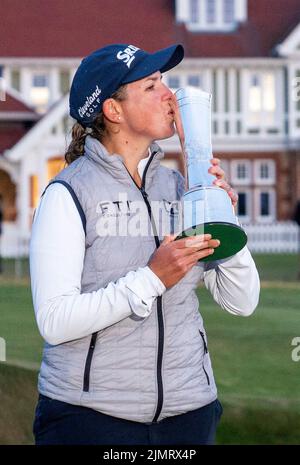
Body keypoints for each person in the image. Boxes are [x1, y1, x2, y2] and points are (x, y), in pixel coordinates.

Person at [29, 43, 260, 445]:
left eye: (164, 82)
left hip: (190, 414)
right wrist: (152, 278)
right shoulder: (68, 194)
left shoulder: (181, 189)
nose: (169, 95)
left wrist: (220, 209)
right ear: (113, 111)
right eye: (151, 86)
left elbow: (242, 301)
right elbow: (55, 321)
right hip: (91, 420)